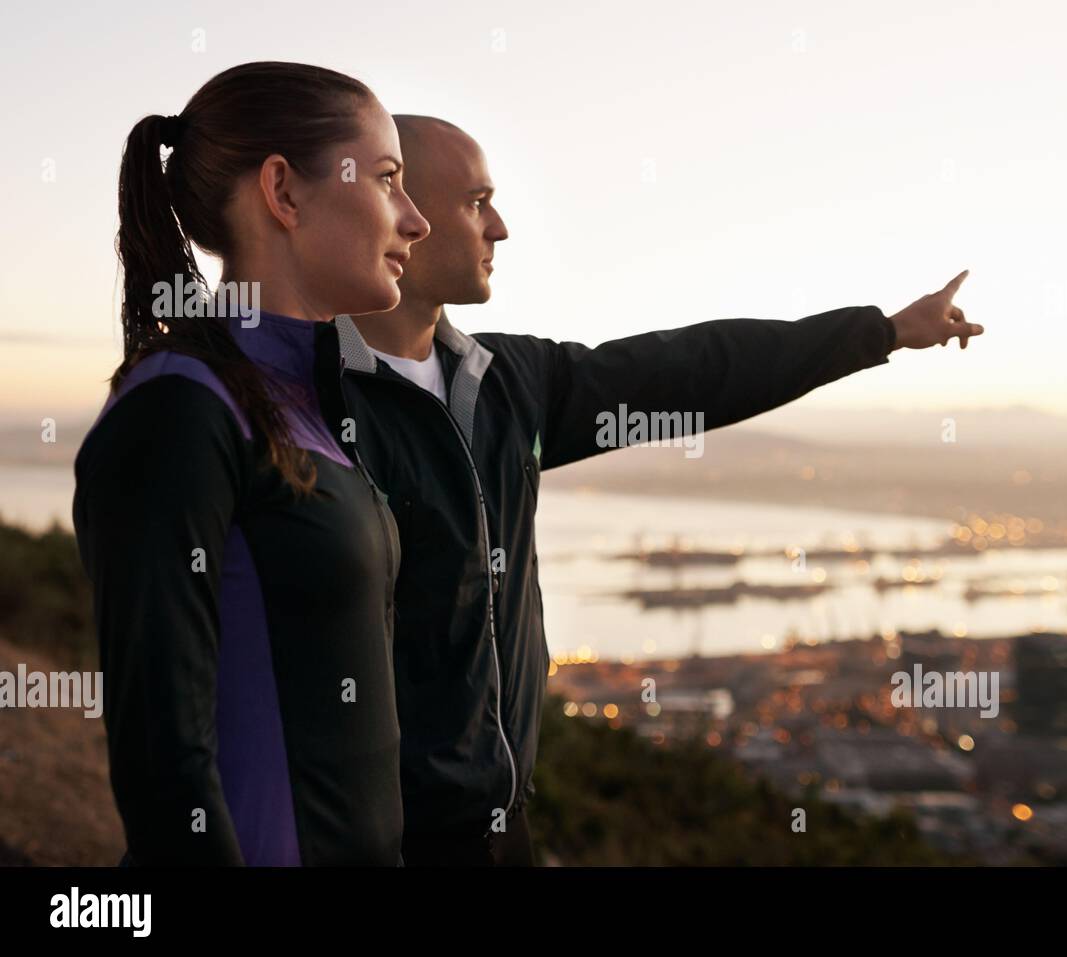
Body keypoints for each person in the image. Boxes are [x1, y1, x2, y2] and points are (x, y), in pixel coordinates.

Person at [338, 115, 984, 866]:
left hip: (503, 824)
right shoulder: (308, 399)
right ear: (395, 210)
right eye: (477, 202)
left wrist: (881, 332)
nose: (502, 228)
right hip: (374, 842)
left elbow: (692, 369)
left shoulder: (509, 383)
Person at [72, 62, 431, 865]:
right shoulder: (178, 406)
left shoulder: (311, 403)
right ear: (284, 191)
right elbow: (164, 760)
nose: (416, 220)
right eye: (386, 178)